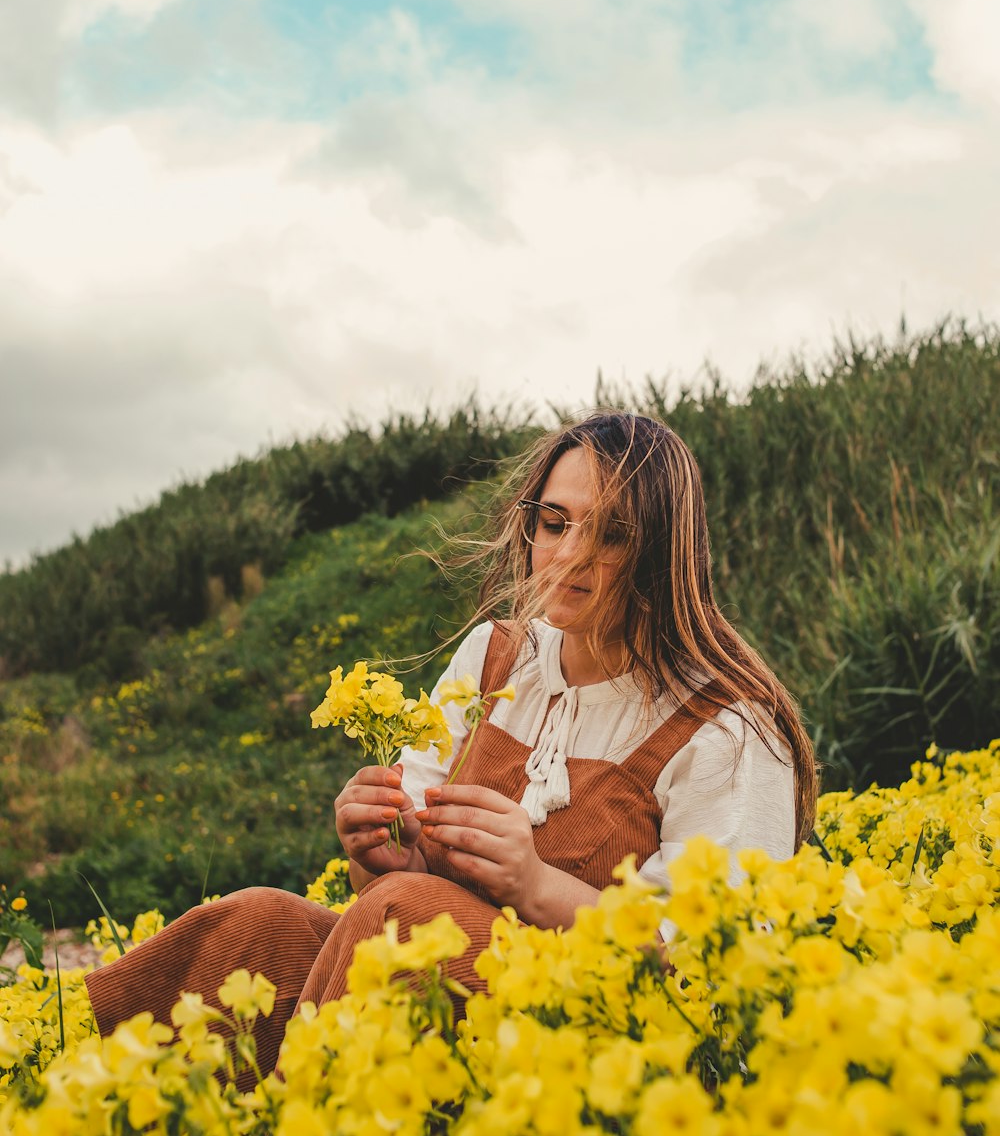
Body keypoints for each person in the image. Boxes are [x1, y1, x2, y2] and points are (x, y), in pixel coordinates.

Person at [86, 412, 817, 1081]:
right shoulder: (493, 658)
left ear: (663, 552)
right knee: (258, 925)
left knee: (405, 916)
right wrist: (382, 854)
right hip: (459, 1003)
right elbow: (394, 888)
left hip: (599, 1047)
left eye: (612, 535)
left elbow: (710, 970)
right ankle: (83, 1119)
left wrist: (533, 886)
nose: (568, 556)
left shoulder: (728, 727)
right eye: (553, 523)